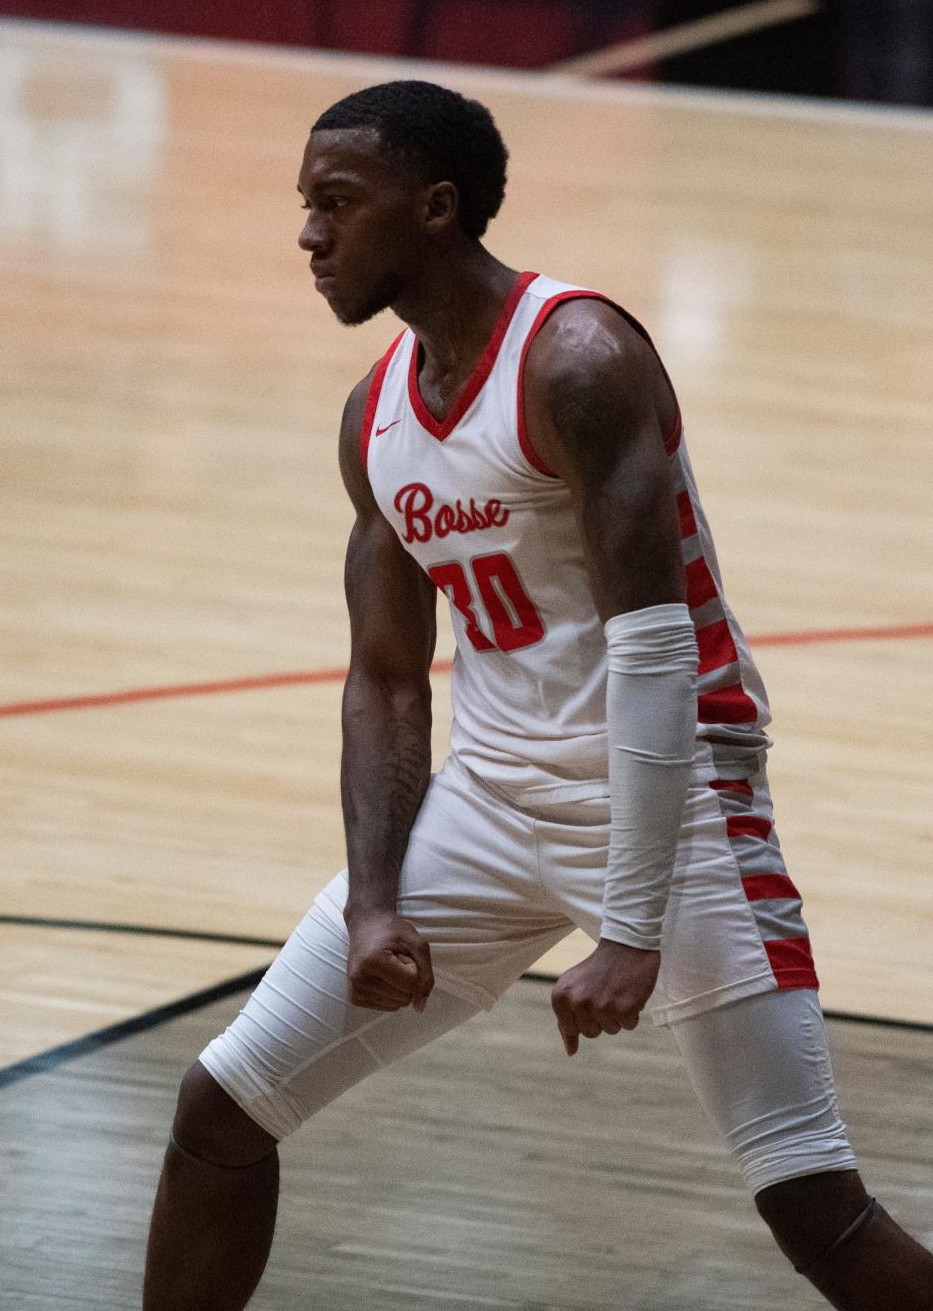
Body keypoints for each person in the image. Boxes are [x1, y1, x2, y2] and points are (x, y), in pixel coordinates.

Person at [142, 80, 933, 1310]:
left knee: (813, 1209)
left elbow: (658, 651)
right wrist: (373, 900)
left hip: (674, 812)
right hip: (494, 803)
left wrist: (629, 927)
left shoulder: (580, 360)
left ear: (438, 208)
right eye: (306, 207)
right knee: (220, 1108)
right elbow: (389, 679)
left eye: (336, 205)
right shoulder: (376, 418)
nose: (308, 236)